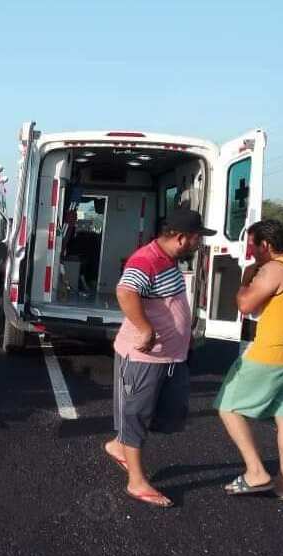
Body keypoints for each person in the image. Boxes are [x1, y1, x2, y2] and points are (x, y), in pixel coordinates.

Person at [103, 208, 214, 508]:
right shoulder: (147, 259)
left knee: (171, 413)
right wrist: (144, 328)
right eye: (196, 238)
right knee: (135, 415)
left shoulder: (169, 260)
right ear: (181, 238)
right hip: (144, 358)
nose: (198, 244)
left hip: (172, 357)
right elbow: (126, 291)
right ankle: (136, 481)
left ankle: (119, 446)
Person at [214, 219, 283, 503]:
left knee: (228, 406)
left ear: (265, 245)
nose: (250, 252)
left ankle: (256, 472)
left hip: (269, 353)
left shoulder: (274, 268)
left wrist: (245, 279)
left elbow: (245, 304)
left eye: (252, 245)